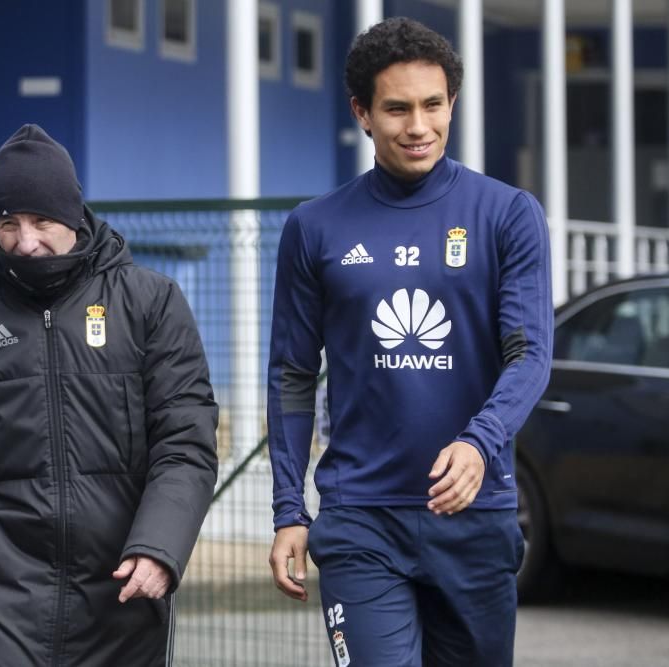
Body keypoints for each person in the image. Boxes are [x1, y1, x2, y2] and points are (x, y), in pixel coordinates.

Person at [267, 17, 552, 667]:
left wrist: (480, 442)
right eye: (396, 108)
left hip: (475, 519)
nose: (418, 125)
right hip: (360, 517)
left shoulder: (507, 215)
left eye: (432, 105)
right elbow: (290, 372)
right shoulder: (313, 228)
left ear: (452, 103)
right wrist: (290, 508)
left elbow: (531, 353)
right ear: (362, 112)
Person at [0, 124, 218, 666]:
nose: (26, 242)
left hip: (122, 593)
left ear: (74, 217)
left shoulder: (151, 303)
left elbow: (186, 442)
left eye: (42, 221)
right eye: (8, 223)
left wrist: (159, 548)